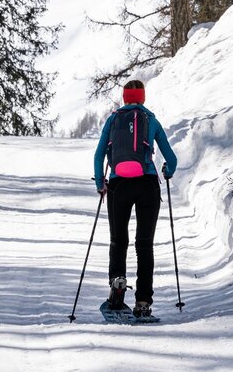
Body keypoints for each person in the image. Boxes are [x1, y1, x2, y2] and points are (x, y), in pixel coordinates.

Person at [93, 78, 177, 319]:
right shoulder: (151, 120)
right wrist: (167, 172)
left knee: (118, 240)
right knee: (144, 244)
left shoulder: (113, 120)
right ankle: (143, 302)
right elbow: (171, 159)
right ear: (143, 98)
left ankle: (117, 281)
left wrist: (101, 184)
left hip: (119, 185)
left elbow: (99, 155)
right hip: (147, 184)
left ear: (124, 98)